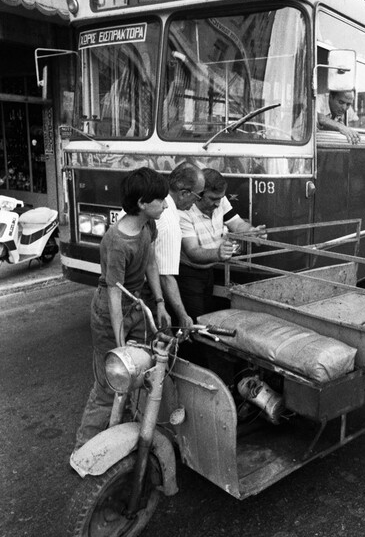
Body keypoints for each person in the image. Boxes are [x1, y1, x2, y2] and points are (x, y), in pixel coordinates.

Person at [73, 167, 171, 451]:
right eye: (160, 200)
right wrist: (120, 346)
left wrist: (160, 302)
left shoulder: (147, 226)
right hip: (109, 313)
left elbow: (150, 262)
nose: (165, 204)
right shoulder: (116, 243)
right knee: (110, 384)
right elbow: (114, 297)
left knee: (139, 375)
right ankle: (83, 449)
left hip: (136, 306)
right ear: (142, 203)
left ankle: (124, 435)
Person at [177, 168, 266, 320]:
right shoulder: (184, 211)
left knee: (207, 317)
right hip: (189, 274)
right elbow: (192, 251)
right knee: (195, 320)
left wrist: (252, 232)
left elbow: (237, 224)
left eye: (220, 198)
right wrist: (218, 253)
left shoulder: (220, 200)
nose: (218, 204)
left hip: (209, 270)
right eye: (212, 199)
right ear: (199, 195)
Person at [154, 161, 205, 331]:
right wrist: (183, 315)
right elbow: (166, 276)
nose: (197, 202)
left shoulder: (154, 197)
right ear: (183, 193)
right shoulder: (168, 221)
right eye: (197, 196)